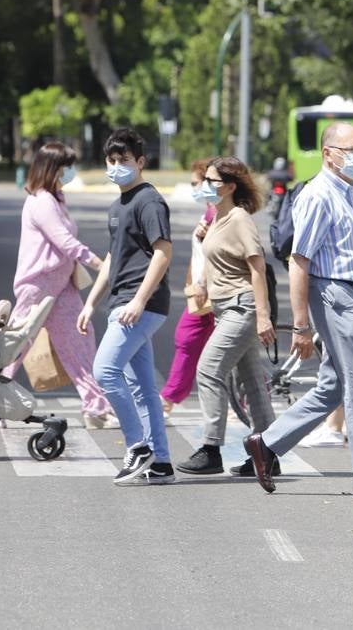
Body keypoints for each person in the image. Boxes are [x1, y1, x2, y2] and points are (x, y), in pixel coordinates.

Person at [243, 122, 353, 501]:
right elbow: (299, 261)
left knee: (334, 387)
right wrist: (302, 325)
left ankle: (267, 443)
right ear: (329, 153)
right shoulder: (319, 195)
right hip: (334, 294)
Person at [80, 128, 175, 486]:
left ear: (141, 162)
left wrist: (138, 299)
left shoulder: (148, 201)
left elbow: (163, 252)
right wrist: (91, 302)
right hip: (123, 301)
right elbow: (111, 258)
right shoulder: (118, 205)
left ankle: (138, 446)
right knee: (143, 389)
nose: (117, 166)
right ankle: (161, 462)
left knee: (104, 371)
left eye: (125, 160)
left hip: (139, 304)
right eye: (112, 160)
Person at [0, 142, 113, 429]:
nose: (71, 171)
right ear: (53, 168)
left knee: (80, 341)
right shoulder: (41, 202)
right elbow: (64, 241)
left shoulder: (56, 198)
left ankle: (96, 407)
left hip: (61, 284)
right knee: (16, 344)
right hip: (37, 284)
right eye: (67, 166)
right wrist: (100, 264)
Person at [178, 157, 278, 476]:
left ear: (231, 187)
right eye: (204, 180)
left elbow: (257, 267)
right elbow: (216, 259)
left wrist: (263, 317)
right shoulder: (217, 218)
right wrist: (204, 285)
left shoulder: (239, 218)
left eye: (212, 181)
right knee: (251, 382)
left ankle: (210, 448)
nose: (205, 186)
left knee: (208, 369)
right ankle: (269, 452)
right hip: (224, 308)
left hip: (242, 306)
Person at [160, 159, 218, 415]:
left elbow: (213, 254)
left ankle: (170, 397)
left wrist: (202, 283)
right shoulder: (209, 212)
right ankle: (171, 396)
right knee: (194, 341)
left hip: (212, 292)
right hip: (202, 291)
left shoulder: (217, 213)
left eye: (197, 183)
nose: (195, 188)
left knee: (189, 338)